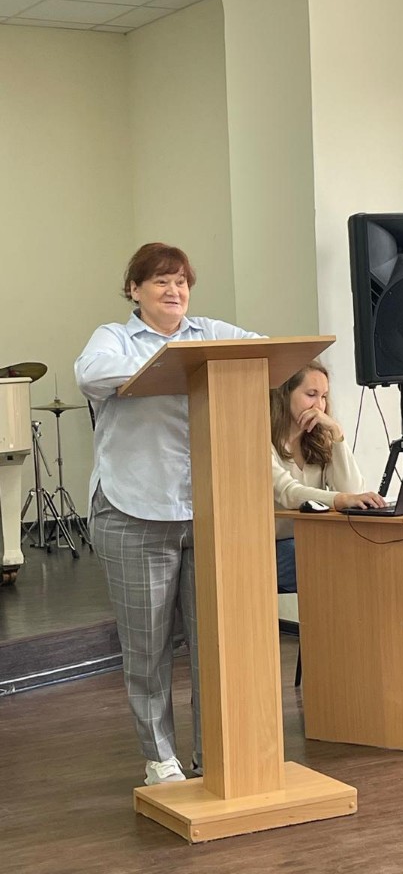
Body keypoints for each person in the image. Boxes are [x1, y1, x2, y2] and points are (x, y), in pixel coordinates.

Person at [74, 242, 264, 786]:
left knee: (213, 644)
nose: (174, 291)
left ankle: (213, 752)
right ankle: (161, 760)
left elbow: (263, 350)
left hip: (207, 511)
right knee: (148, 648)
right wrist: (174, 361)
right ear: (134, 290)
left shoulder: (208, 331)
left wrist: (196, 355)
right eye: (161, 281)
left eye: (181, 282)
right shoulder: (113, 338)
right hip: (133, 510)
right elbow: (91, 374)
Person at [271, 360, 385, 593]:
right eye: (311, 395)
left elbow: (352, 491)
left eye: (323, 397)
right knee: (339, 566)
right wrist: (340, 499)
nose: (319, 406)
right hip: (275, 545)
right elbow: (289, 493)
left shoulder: (319, 440)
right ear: (285, 395)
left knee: (375, 552)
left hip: (315, 538)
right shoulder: (261, 440)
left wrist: (337, 435)